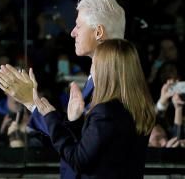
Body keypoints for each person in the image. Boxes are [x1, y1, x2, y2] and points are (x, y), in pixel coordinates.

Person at [0, 0, 125, 178]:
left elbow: (80, 156)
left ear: (98, 32)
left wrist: (32, 102)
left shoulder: (113, 88)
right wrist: (33, 103)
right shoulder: (97, 80)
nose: (72, 32)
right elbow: (76, 141)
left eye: (78, 26)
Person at [30, 39, 153, 178]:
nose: (91, 70)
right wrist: (74, 121)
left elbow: (78, 160)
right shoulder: (141, 108)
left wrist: (50, 117)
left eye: (94, 64)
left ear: (105, 71)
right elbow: (100, 150)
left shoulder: (105, 112)